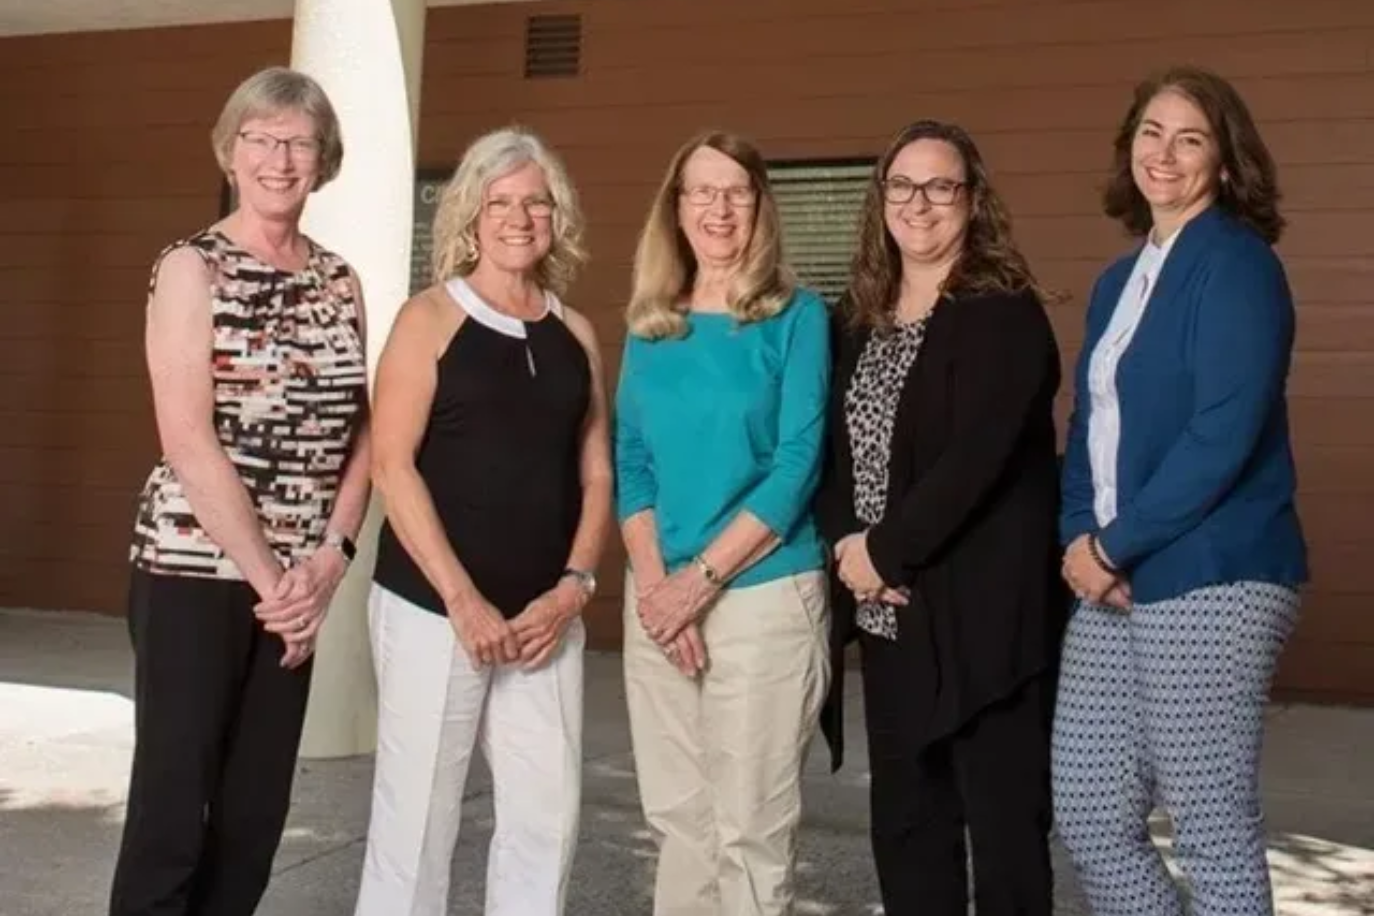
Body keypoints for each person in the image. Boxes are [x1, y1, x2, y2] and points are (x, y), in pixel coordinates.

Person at [111, 67, 371, 916]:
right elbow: (187, 439)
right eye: (259, 138)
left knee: (256, 813)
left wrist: (331, 558)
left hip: (297, 584)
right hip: (196, 574)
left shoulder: (340, 280)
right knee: (173, 812)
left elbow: (359, 430)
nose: (278, 157)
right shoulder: (191, 268)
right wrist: (277, 588)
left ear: (323, 159)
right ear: (229, 151)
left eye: (298, 142)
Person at [1052, 65, 1308, 916]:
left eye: (1189, 137)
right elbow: (1092, 427)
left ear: (1225, 162)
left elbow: (1221, 437)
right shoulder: (1119, 282)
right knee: (1089, 811)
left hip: (1213, 571)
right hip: (1110, 571)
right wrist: (1081, 539)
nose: (1164, 153)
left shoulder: (1238, 267)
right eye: (1150, 133)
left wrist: (1113, 545)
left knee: (1209, 823)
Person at [356, 126, 612, 916]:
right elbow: (391, 466)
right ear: (471, 214)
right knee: (417, 824)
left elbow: (596, 470)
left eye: (536, 201)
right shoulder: (429, 319)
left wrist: (572, 590)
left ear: (556, 215)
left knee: (546, 819)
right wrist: (464, 602)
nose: (519, 217)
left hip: (543, 619)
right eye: (501, 202)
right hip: (436, 612)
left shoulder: (576, 334)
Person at [815, 119, 1065, 916]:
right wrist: (849, 554)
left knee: (1003, 840)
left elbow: (977, 460)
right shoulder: (855, 318)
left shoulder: (1003, 313)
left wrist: (886, 552)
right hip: (893, 623)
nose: (918, 204)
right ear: (880, 197)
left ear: (972, 200)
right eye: (901, 185)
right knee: (908, 830)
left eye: (940, 187)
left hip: (986, 621)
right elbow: (832, 453)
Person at [614, 130, 831, 916]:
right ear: (675, 210)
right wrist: (658, 587)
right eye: (701, 191)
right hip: (661, 597)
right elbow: (631, 460)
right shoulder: (651, 324)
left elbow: (797, 465)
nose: (718, 207)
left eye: (735, 190)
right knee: (678, 821)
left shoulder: (797, 317)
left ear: (760, 206)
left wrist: (698, 583)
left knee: (750, 831)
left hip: (762, 595)